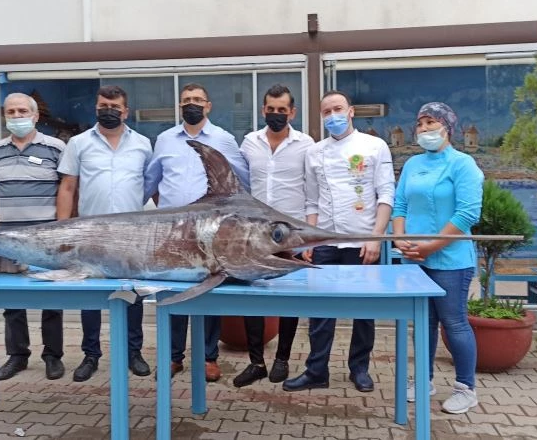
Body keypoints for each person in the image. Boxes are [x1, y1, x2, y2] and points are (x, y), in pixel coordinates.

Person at [282, 90, 395, 393]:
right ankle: (316, 370)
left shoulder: (374, 146)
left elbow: (385, 195)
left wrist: (376, 239)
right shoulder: (315, 152)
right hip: (325, 241)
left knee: (363, 310)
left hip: (361, 240)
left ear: (351, 111)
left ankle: (359, 368)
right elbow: (311, 201)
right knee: (320, 310)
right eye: (327, 111)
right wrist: (309, 242)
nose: (333, 115)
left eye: (338, 109)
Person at [144, 82, 250, 382]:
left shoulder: (224, 139)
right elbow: (152, 182)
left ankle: (207, 357)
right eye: (186, 100)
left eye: (197, 100)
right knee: (172, 292)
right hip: (172, 233)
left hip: (209, 233)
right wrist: (169, 209)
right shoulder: (164, 139)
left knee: (207, 293)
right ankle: (173, 357)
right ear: (180, 106)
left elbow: (242, 180)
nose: (192, 104)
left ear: (209, 106)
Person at [56, 85, 153, 382]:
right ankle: (91, 354)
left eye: (114, 106)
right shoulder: (78, 143)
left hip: (131, 235)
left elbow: (153, 188)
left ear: (126, 111)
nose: (108, 110)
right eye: (102, 106)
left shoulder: (143, 144)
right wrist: (62, 228)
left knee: (132, 293)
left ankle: (133, 352)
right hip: (91, 232)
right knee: (91, 294)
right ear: (96, 108)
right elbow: (68, 187)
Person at [393, 102, 483, 414]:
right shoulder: (412, 165)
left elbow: (468, 212)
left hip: (451, 260)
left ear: (447, 127)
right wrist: (401, 238)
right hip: (414, 259)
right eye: (420, 124)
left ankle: (465, 387)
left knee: (454, 322)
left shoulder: (463, 164)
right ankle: (424, 380)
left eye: (431, 122)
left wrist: (431, 246)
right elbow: (400, 205)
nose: (424, 129)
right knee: (423, 323)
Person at [233, 84, 314, 387]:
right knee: (251, 296)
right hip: (253, 234)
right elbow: (239, 183)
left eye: (283, 110)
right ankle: (256, 362)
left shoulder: (306, 144)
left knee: (288, 296)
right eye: (271, 109)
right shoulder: (249, 143)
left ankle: (282, 358)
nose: (276, 114)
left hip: (289, 234)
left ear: (292, 112)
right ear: (263, 109)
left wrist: (307, 236)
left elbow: (313, 190)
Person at [0, 93, 66, 381]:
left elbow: (66, 188)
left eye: (22, 111)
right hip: (11, 236)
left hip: (46, 236)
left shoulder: (56, 147)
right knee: (12, 299)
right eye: (11, 111)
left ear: (35, 116)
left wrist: (61, 227)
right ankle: (17, 355)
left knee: (52, 297)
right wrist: (0, 222)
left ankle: (52, 356)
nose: (16, 116)